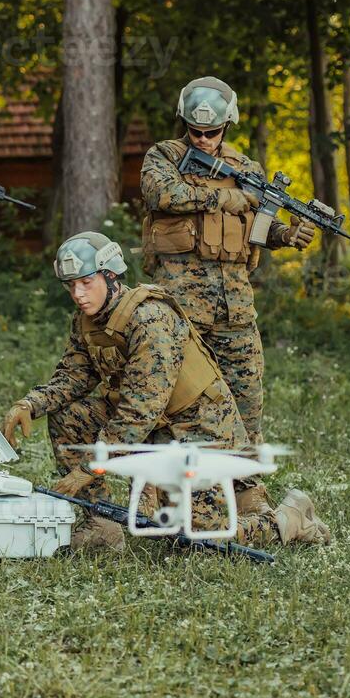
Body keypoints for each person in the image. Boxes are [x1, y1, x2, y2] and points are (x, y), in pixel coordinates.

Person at [0, 232, 329, 550]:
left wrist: (90, 468)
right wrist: (30, 404)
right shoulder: (87, 321)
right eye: (71, 285)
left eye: (87, 282)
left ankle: (288, 519)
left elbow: (141, 409)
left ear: (112, 276)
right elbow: (73, 376)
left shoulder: (150, 317)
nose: (78, 293)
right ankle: (102, 525)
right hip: (155, 431)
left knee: (196, 539)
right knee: (69, 415)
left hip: (198, 429)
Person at [139, 76, 317, 444]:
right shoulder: (164, 156)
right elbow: (164, 195)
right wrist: (228, 199)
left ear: (227, 125)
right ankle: (169, 492)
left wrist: (287, 235)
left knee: (246, 404)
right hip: (180, 307)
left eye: (212, 132)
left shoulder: (247, 169)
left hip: (234, 309)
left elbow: (259, 229)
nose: (203, 139)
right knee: (171, 402)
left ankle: (245, 493)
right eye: (196, 131)